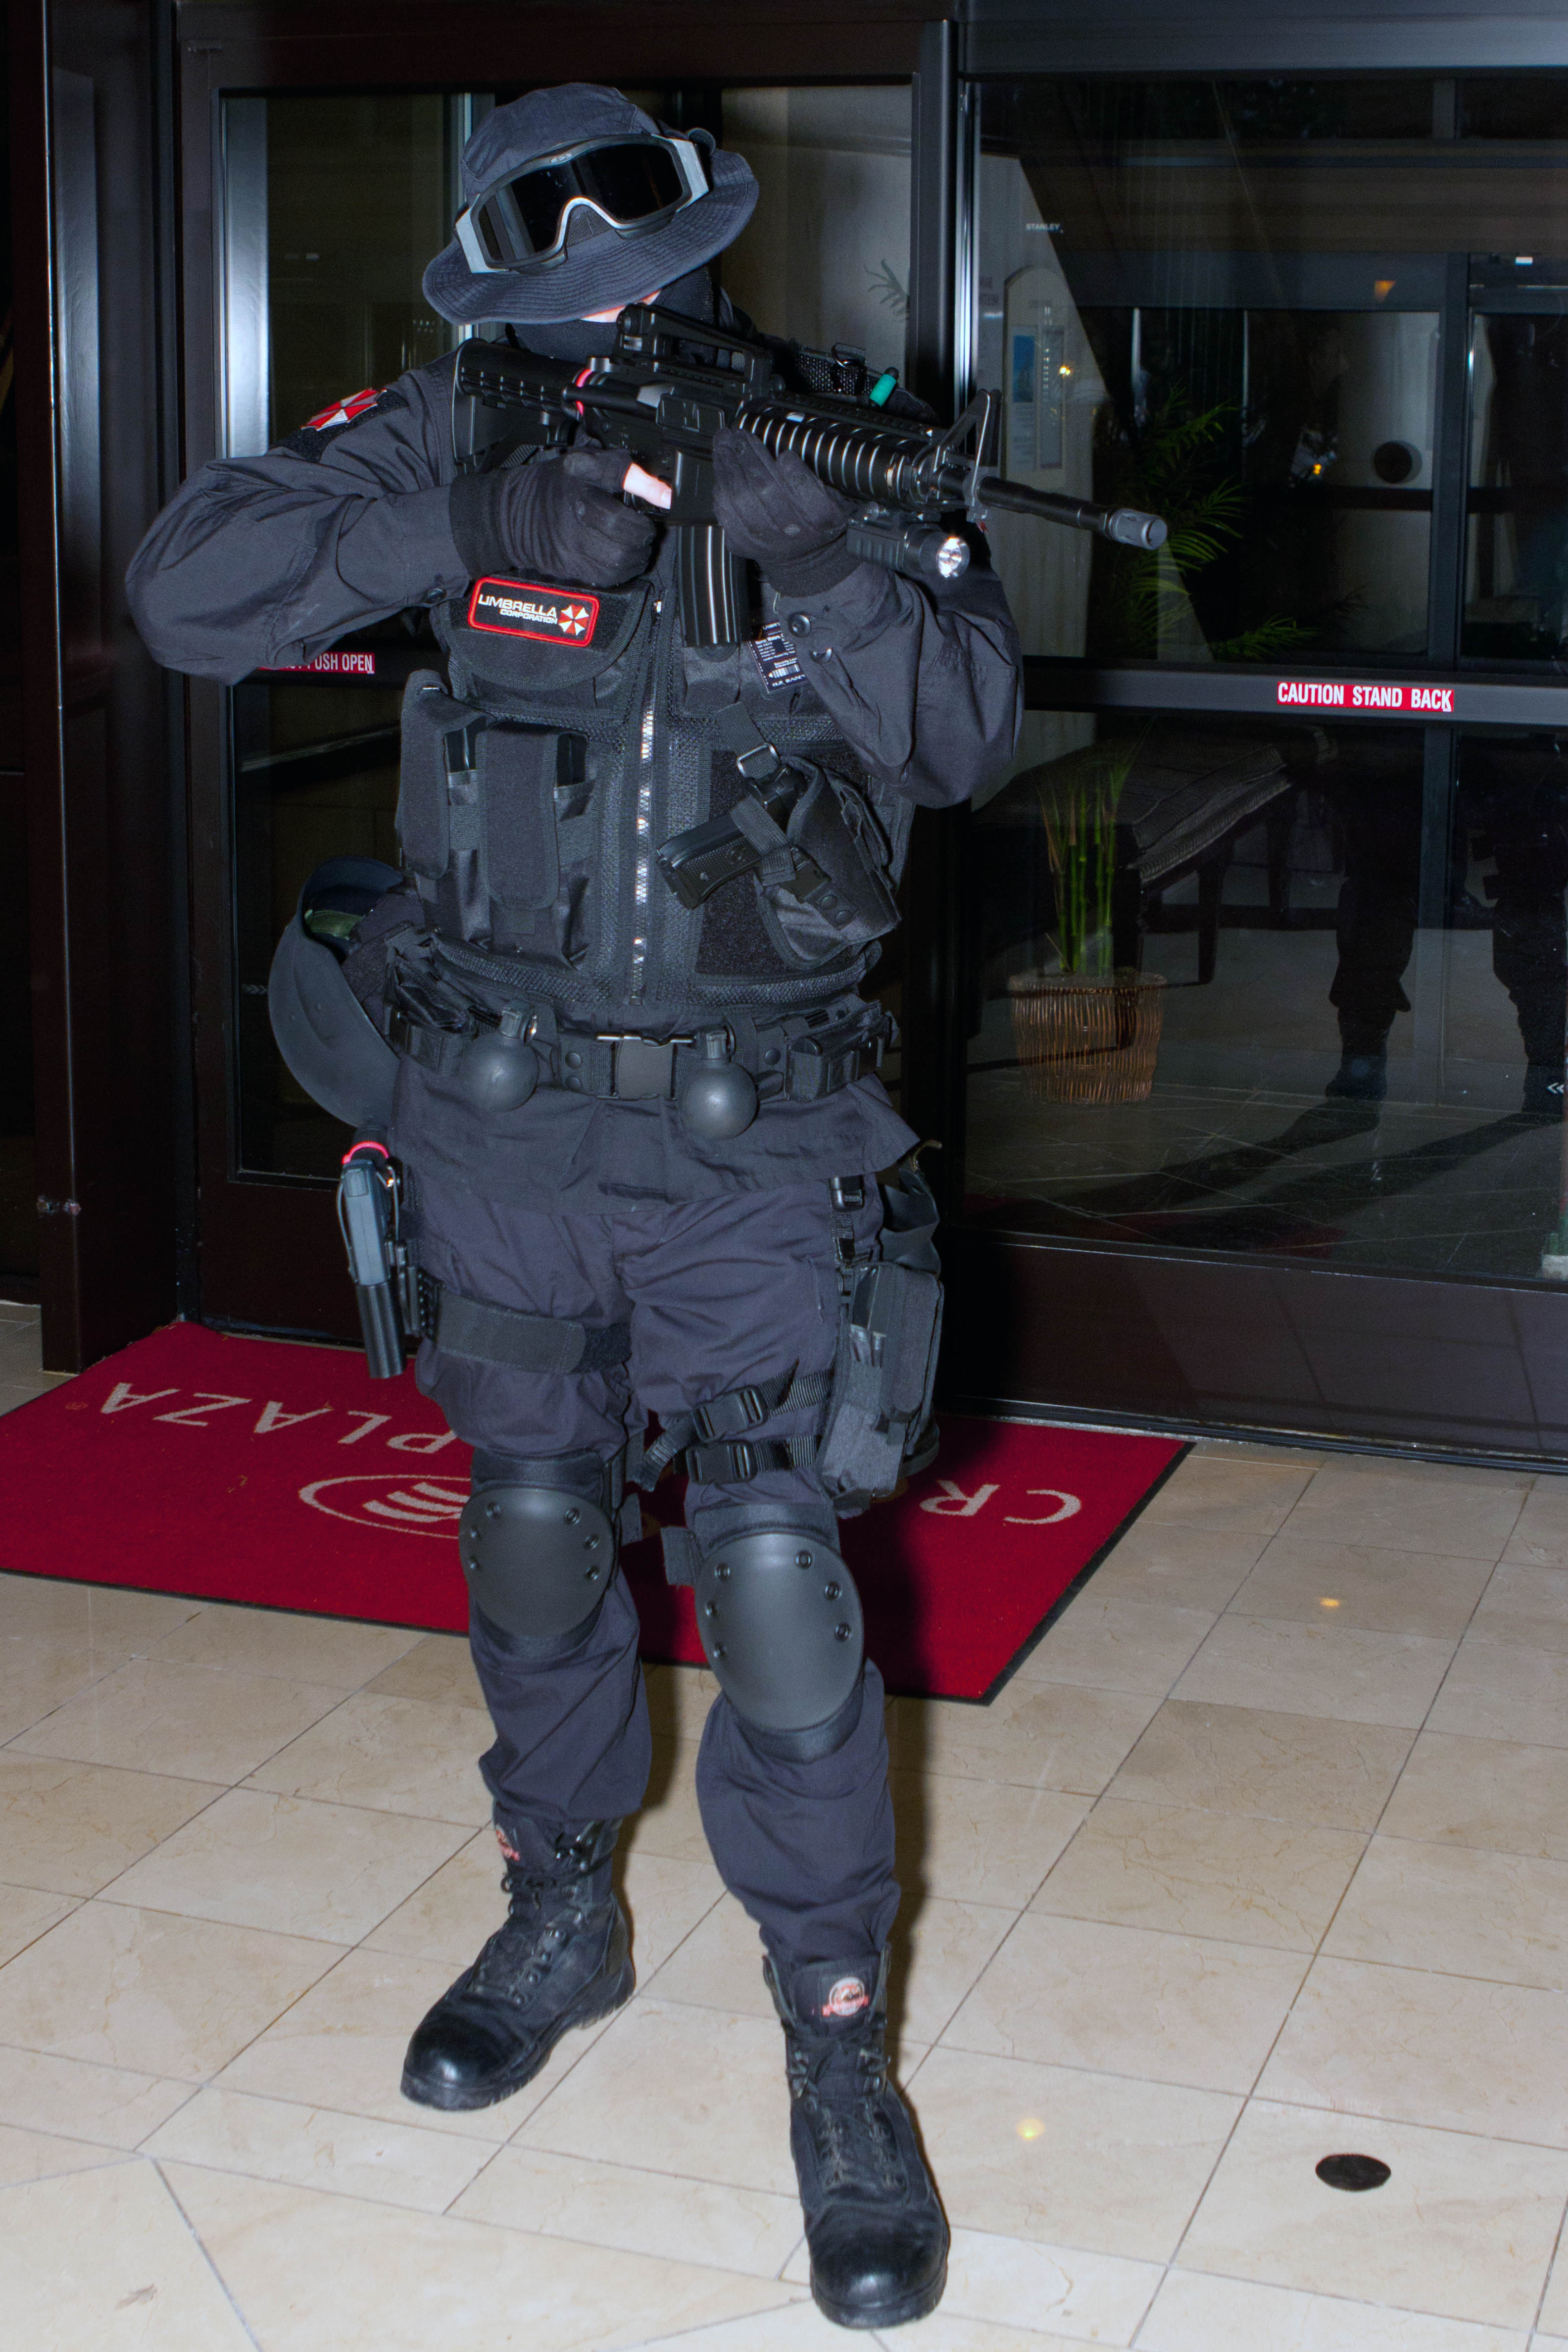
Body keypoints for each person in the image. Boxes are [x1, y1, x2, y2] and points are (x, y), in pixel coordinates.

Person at [128, 83, 1021, 2332]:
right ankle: (561, 1912)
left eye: (640, 278)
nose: (610, 324)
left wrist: (820, 552)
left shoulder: (822, 441)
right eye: (563, 293)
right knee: (534, 1530)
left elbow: (961, 736)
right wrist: (462, 514)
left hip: (757, 1141)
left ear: (705, 247)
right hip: (503, 1126)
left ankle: (837, 2045)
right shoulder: (451, 428)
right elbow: (183, 593)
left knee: (778, 1579)